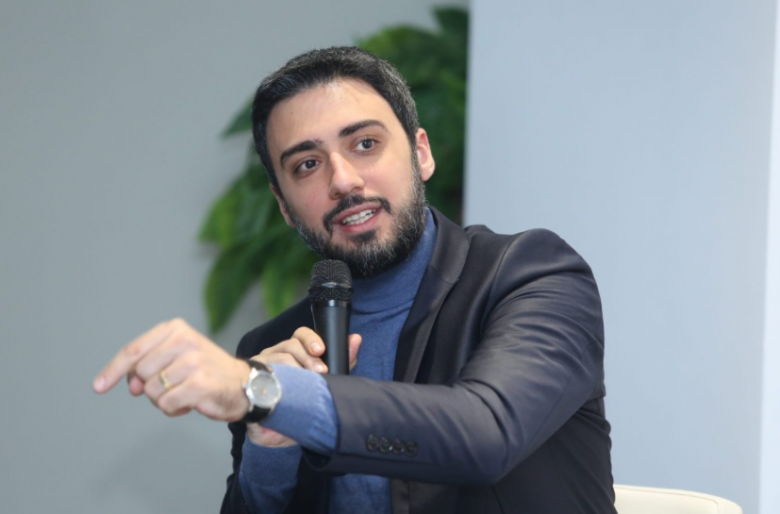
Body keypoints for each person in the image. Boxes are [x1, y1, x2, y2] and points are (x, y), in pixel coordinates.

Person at [94, 46, 616, 514]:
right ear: (284, 206)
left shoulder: (530, 274)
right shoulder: (272, 347)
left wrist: (269, 393)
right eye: (307, 165)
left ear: (421, 153)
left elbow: (486, 434)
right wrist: (271, 447)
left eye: (365, 143)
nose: (343, 180)